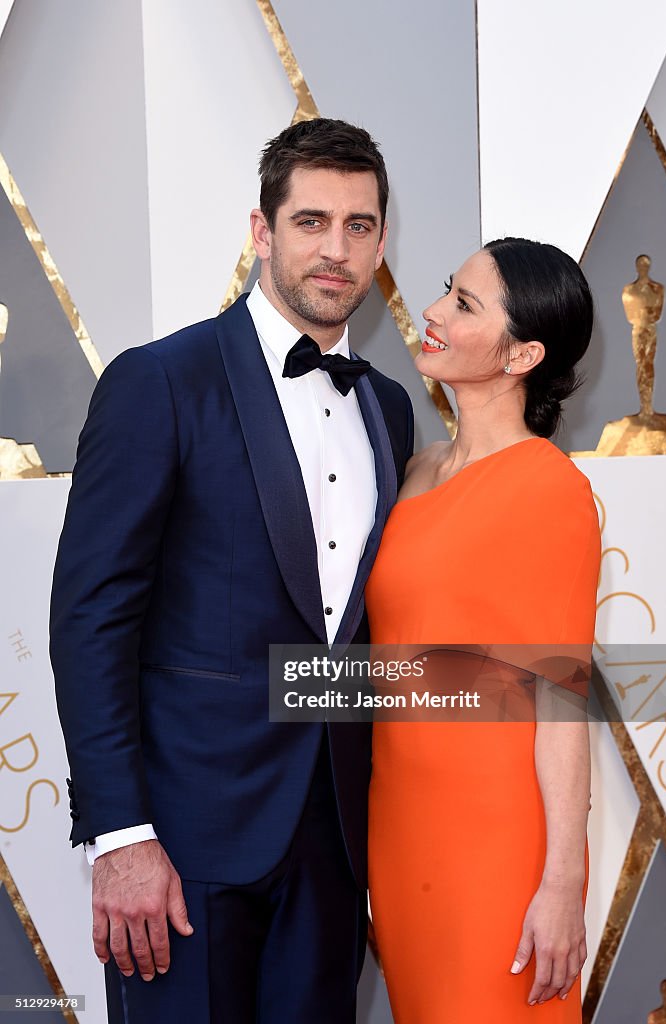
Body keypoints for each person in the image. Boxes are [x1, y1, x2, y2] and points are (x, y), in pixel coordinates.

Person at [50, 117, 414, 1024]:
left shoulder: (390, 409)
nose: (336, 251)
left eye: (359, 226)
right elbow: (91, 617)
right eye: (311, 222)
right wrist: (121, 835)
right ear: (261, 231)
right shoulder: (159, 381)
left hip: (333, 842)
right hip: (180, 845)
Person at [367, 237, 600, 1021]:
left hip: (495, 844)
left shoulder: (547, 489)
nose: (431, 313)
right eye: (446, 291)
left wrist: (561, 882)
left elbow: (562, 695)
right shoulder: (411, 471)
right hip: (399, 834)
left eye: (463, 305)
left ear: (522, 353)